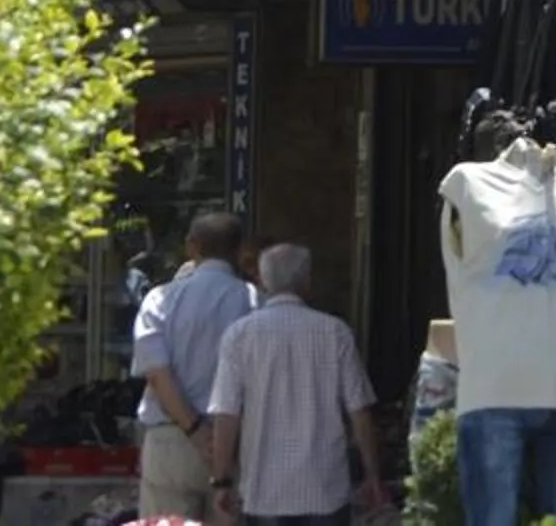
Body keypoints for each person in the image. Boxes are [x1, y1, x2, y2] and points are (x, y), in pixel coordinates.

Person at [207, 244, 386, 526]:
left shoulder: (239, 335)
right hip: (325, 488)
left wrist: (221, 480)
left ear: (263, 281)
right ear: (307, 281)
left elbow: (226, 415)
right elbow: (359, 411)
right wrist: (372, 474)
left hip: (263, 491)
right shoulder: (335, 332)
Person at [132, 213, 257, 523]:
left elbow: (158, 374)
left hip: (170, 439)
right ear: (241, 250)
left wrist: (194, 430)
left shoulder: (160, 299)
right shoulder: (255, 301)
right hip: (236, 444)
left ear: (191, 247)